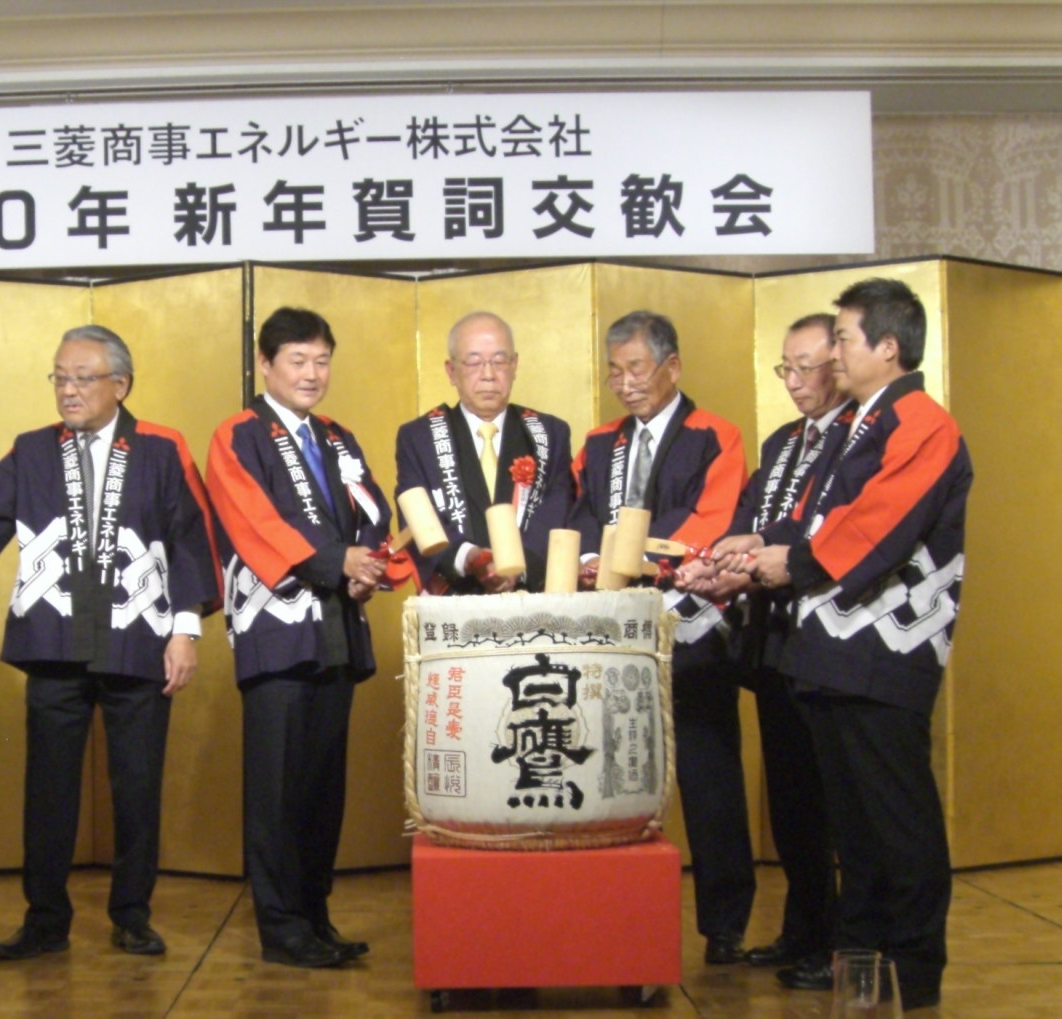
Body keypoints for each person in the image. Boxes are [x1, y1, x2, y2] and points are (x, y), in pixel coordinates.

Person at [0, 326, 219, 961]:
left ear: (121, 385)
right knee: (49, 788)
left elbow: (192, 538)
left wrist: (185, 629)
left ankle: (133, 914)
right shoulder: (31, 450)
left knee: (137, 786)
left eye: (83, 377)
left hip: (139, 638)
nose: (69, 390)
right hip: (54, 636)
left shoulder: (162, 449)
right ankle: (45, 918)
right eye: (59, 377)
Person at [718, 279, 968, 1010]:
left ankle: (914, 971)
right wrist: (757, 547)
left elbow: (877, 524)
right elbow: (815, 519)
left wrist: (786, 561)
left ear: (887, 347)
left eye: (844, 338)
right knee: (851, 830)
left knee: (898, 820)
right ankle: (858, 966)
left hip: (885, 650)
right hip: (826, 651)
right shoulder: (858, 421)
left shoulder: (921, 420)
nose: (834, 351)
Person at [566, 310, 753, 965]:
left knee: (707, 773)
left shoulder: (714, 434)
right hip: (612, 629)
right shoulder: (597, 441)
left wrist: (630, 555)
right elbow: (577, 514)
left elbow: (711, 518)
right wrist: (595, 559)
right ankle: (606, 912)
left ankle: (724, 922)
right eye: (614, 370)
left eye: (636, 368)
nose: (624, 383)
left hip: (691, 625)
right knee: (608, 772)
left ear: (671, 366)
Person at [205, 307, 390, 969]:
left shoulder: (337, 436)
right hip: (277, 628)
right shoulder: (239, 434)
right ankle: (280, 925)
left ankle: (315, 913)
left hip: (338, 626)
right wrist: (335, 561)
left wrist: (369, 562)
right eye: (296, 361)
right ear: (265, 364)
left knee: (321, 785)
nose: (311, 374)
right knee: (277, 787)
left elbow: (372, 507)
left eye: (320, 360)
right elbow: (250, 519)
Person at [676, 313, 847, 974]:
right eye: (787, 367)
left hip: (828, 639)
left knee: (828, 796)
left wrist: (762, 547)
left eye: (809, 367)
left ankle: (836, 942)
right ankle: (802, 932)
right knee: (791, 796)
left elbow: (830, 532)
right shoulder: (781, 442)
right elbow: (745, 524)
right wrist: (718, 563)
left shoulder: (854, 441)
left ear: (840, 363)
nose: (796, 381)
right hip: (772, 641)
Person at [393, 311, 573, 593]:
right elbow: (415, 518)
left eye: (499, 361)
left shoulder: (549, 433)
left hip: (530, 598)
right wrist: (471, 558)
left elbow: (557, 509)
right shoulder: (419, 437)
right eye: (474, 362)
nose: (488, 374)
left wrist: (518, 566)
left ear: (514, 365)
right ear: (451, 371)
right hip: (455, 596)